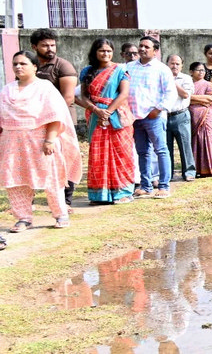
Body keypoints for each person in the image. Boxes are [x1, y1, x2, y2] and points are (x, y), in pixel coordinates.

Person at [1, 51, 81, 230]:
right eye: (15, 64)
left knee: (51, 179)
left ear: (35, 67)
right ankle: (23, 218)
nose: (18, 67)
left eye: (23, 63)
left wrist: (50, 140)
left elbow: (55, 116)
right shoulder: (7, 89)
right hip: (12, 142)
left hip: (41, 141)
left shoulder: (45, 88)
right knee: (16, 181)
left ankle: (60, 214)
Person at [75, 39, 135, 204]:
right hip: (95, 116)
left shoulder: (120, 70)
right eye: (102, 51)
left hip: (116, 116)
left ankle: (122, 192)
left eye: (109, 51)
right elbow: (84, 96)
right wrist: (97, 111)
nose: (106, 54)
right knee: (98, 154)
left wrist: (107, 112)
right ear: (95, 52)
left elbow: (123, 94)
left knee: (121, 153)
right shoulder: (88, 71)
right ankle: (100, 195)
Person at [30, 29, 79, 207]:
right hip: (34, 122)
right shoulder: (29, 65)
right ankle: (29, 200)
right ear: (34, 47)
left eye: (52, 45)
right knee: (33, 159)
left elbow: (68, 98)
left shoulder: (63, 66)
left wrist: (49, 119)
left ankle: (66, 201)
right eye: (45, 45)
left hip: (61, 121)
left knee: (64, 160)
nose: (50, 48)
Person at [126, 36, 176, 198]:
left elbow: (170, 92)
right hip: (135, 117)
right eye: (140, 46)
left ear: (155, 51)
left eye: (146, 47)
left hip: (154, 116)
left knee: (161, 150)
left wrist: (158, 109)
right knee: (142, 152)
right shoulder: (129, 67)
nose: (142, 49)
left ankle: (164, 186)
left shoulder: (161, 69)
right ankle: (146, 186)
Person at [187, 63, 212, 177]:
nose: (201, 72)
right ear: (191, 72)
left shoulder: (208, 85)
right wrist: (197, 99)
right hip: (193, 119)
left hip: (207, 118)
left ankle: (210, 168)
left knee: (209, 140)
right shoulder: (188, 85)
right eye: (198, 70)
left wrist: (191, 98)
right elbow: (184, 98)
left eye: (203, 70)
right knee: (195, 142)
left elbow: (210, 99)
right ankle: (197, 169)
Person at [165, 54, 196, 181]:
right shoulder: (161, 77)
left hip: (181, 115)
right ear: (167, 64)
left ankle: (189, 172)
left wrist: (171, 81)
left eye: (178, 64)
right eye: (172, 63)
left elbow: (184, 94)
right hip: (164, 116)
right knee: (166, 147)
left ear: (182, 65)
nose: (174, 66)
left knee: (185, 144)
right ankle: (168, 174)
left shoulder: (186, 78)